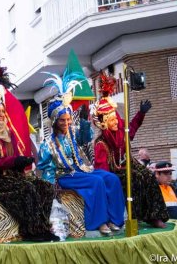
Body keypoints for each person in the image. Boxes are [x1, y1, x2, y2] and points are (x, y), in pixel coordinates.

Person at [0, 89, 59, 242]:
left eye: (2, 111)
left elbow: (13, 159)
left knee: (45, 186)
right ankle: (31, 230)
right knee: (27, 188)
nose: (1, 114)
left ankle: (43, 227)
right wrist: (13, 162)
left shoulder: (8, 132)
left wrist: (22, 161)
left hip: (11, 175)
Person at [38, 91, 125, 235]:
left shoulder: (72, 132)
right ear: (55, 121)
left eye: (68, 119)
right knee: (96, 181)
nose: (66, 123)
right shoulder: (48, 144)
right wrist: (49, 189)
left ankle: (115, 220)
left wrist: (84, 122)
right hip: (65, 176)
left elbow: (85, 138)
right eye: (62, 120)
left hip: (82, 170)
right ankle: (98, 222)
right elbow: (47, 169)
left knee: (112, 179)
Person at [91, 72, 169, 227]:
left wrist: (141, 113)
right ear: (105, 122)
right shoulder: (101, 143)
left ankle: (155, 215)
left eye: (116, 118)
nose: (115, 122)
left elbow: (131, 127)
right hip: (115, 172)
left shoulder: (122, 130)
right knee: (135, 178)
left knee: (147, 175)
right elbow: (103, 171)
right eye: (111, 120)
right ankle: (136, 217)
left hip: (129, 164)